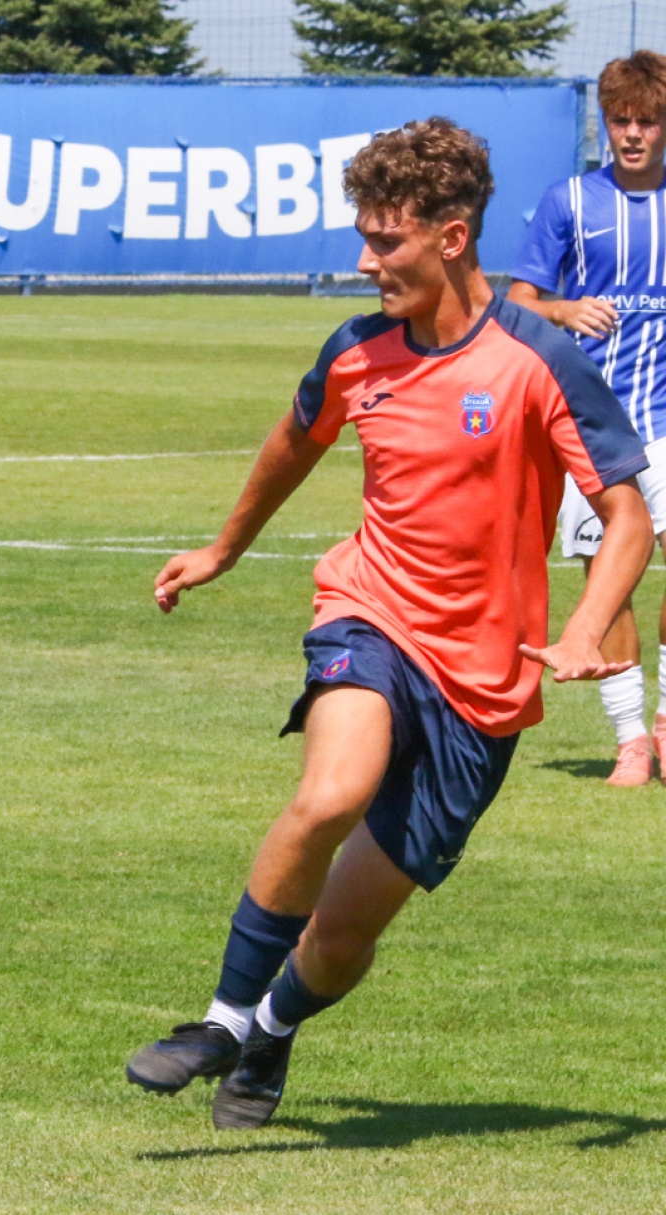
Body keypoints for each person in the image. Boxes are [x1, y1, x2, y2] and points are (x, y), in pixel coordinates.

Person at [124, 118, 652, 1131]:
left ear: (452, 237)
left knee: (339, 941)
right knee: (331, 792)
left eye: (386, 240)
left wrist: (588, 628)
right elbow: (294, 439)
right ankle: (221, 1021)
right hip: (369, 614)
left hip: (486, 682)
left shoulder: (538, 359)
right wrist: (224, 547)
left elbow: (625, 515)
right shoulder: (357, 350)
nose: (366, 263)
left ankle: (272, 1028)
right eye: (363, 237)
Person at [508, 51, 666, 786]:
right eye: (620, 119)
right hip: (593, 428)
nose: (632, 133)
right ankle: (631, 739)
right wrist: (565, 309)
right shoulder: (568, 200)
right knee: (610, 582)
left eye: (648, 121)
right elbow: (516, 305)